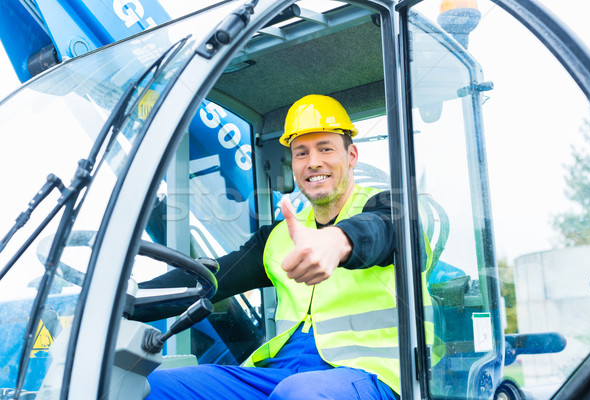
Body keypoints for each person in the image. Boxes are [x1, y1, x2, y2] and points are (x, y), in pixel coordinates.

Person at [143, 94, 401, 400]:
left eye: (326, 148)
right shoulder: (278, 236)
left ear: (352, 155)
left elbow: (379, 230)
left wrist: (338, 241)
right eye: (301, 153)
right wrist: (118, 302)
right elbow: (206, 280)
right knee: (150, 386)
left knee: (301, 394)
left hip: (367, 375)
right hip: (279, 374)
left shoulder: (390, 208)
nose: (313, 161)